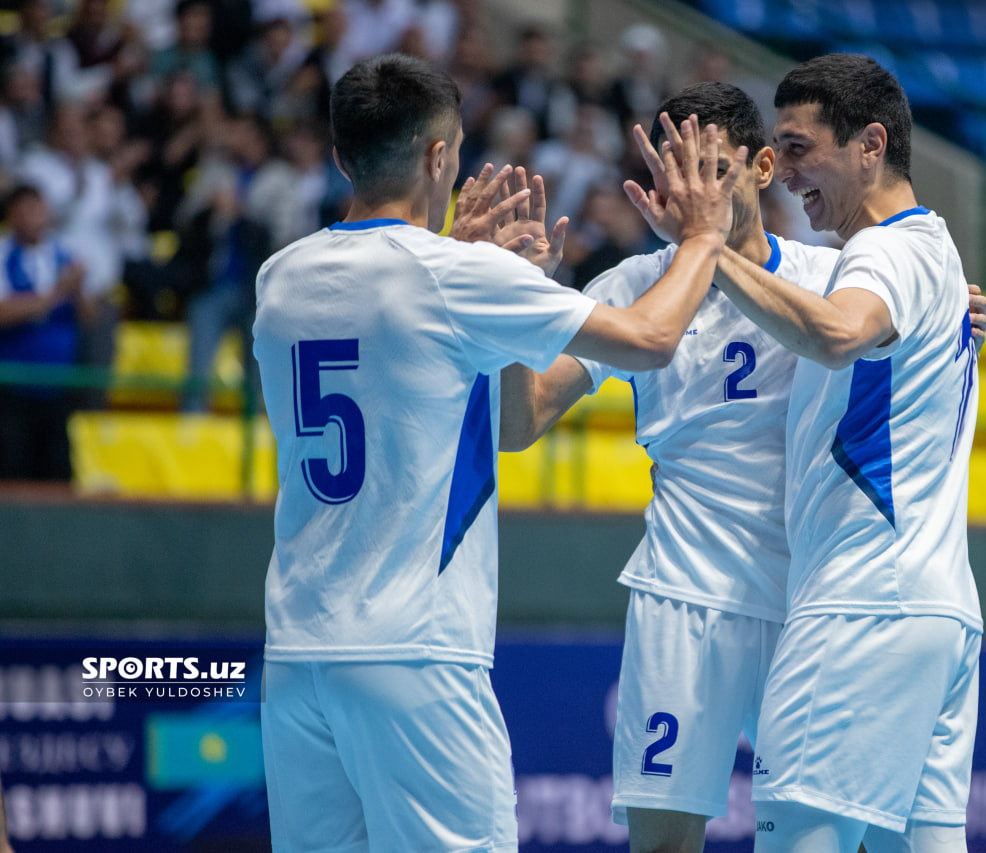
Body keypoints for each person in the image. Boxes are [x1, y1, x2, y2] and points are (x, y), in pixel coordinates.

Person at [251, 53, 746, 851]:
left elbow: (420, 359)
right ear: (439, 156)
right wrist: (701, 235)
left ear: (342, 156)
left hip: (298, 654)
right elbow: (652, 339)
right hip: (415, 653)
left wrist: (470, 270)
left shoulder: (279, 278)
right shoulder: (454, 274)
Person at [501, 82, 986, 853]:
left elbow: (882, 324)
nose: (690, 194)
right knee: (667, 843)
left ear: (763, 168)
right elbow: (517, 421)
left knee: (843, 833)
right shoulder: (634, 287)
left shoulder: (831, 274)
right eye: (673, 175)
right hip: (686, 596)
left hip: (812, 598)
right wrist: (512, 306)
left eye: (711, 170)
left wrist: (950, 312)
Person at [0, 184, 90, 482]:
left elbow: (90, 317)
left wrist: (77, 292)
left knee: (57, 475)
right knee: (12, 471)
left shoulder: (65, 255)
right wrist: (55, 294)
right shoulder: (3, 255)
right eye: (22, 210)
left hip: (57, 387)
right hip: (12, 388)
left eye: (36, 209)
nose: (30, 217)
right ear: (11, 215)